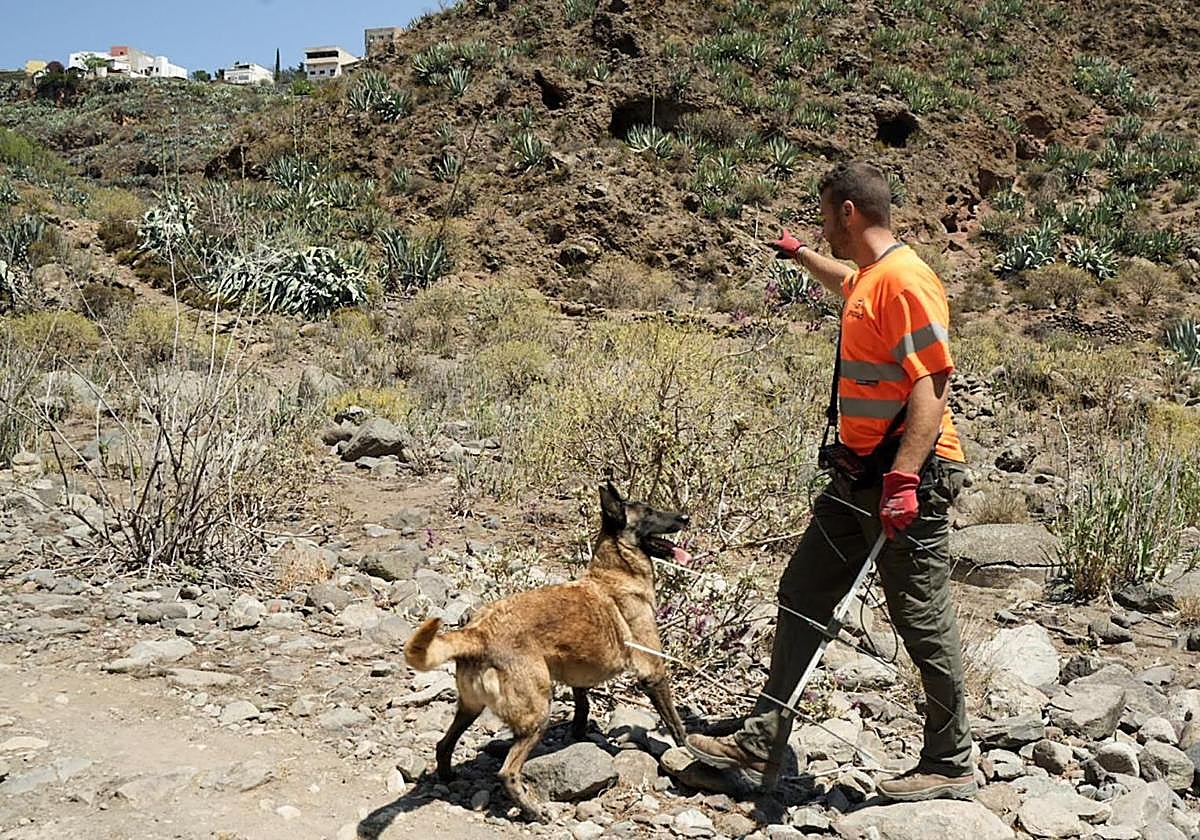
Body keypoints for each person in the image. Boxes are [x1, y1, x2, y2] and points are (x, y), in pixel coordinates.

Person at [685, 161, 976, 803]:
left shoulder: (906, 280)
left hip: (908, 476)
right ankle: (763, 738)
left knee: (920, 614)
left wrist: (904, 479)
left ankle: (951, 762)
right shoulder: (872, 278)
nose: (824, 227)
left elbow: (931, 383)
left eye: (825, 217)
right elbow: (847, 281)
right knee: (804, 589)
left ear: (848, 210)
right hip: (856, 475)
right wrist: (800, 255)